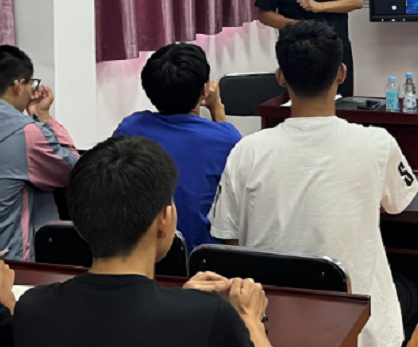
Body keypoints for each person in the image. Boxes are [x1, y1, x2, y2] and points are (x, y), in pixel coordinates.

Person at [209, 21, 418, 347]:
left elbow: (229, 237)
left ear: (281, 77)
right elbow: (397, 204)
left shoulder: (246, 150)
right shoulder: (378, 143)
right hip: (357, 326)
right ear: (341, 73)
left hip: (267, 321)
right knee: (412, 292)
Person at [14, 136, 272, 347]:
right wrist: (250, 321)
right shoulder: (211, 316)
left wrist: (183, 302)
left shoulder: (32, 308)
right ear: (164, 220)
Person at [114, 43, 241, 251]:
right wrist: (217, 109)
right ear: (204, 90)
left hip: (141, 252)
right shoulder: (226, 138)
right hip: (202, 257)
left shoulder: (129, 128)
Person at [0, 45, 79, 261]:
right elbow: (73, 169)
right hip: (12, 265)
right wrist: (43, 116)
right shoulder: (26, 134)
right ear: (18, 85)